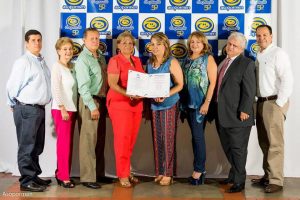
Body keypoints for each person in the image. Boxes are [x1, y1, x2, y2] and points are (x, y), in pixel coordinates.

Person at [6, 29, 51, 192]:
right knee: (27, 145)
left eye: (39, 40)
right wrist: (13, 103)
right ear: (26, 43)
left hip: (39, 109)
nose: (37, 43)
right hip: (27, 108)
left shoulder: (41, 61)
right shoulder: (23, 61)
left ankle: (33, 175)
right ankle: (26, 181)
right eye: (33, 40)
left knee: (37, 145)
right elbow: (12, 85)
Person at [251, 25, 293, 193]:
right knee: (264, 142)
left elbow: (287, 79)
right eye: (258, 35)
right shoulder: (259, 55)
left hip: (274, 102)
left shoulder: (278, 53)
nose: (262, 38)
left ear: (271, 36)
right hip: (260, 103)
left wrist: (279, 103)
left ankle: (277, 180)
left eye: (265, 35)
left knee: (275, 143)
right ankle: (268, 175)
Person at [212, 32, 256, 193]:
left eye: (234, 45)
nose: (230, 47)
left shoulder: (246, 63)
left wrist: (245, 109)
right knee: (228, 147)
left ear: (242, 48)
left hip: (238, 115)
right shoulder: (222, 61)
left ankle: (239, 181)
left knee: (238, 149)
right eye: (229, 44)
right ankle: (233, 174)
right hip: (222, 114)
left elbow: (249, 90)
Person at [106, 31, 144, 188]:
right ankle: (122, 175)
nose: (128, 45)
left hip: (137, 105)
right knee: (122, 140)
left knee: (131, 140)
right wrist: (128, 94)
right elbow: (113, 84)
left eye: (130, 43)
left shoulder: (137, 60)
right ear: (118, 45)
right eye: (124, 42)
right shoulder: (115, 60)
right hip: (120, 104)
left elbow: (143, 81)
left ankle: (127, 170)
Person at [180, 31, 217, 185]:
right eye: (192, 42)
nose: (194, 44)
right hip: (187, 104)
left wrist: (207, 103)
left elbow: (213, 82)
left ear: (204, 44)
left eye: (198, 42)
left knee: (198, 137)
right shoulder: (186, 59)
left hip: (200, 105)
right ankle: (200, 170)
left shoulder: (207, 59)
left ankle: (199, 171)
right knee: (195, 137)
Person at [147, 32, 183, 186]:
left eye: (158, 44)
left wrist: (165, 94)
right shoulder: (149, 63)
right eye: (152, 44)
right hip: (155, 105)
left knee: (168, 138)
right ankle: (160, 171)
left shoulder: (171, 62)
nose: (155, 47)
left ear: (165, 45)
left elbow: (180, 85)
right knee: (157, 139)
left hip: (169, 104)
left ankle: (169, 173)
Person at [74, 28, 107, 189]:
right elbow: (83, 87)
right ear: (84, 40)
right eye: (92, 38)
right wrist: (93, 107)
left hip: (101, 100)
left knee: (99, 139)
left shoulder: (100, 56)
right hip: (89, 102)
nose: (95, 41)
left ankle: (98, 174)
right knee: (88, 140)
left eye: (97, 38)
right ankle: (87, 177)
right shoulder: (83, 59)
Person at [51, 37, 77, 188]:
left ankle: (61, 172)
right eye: (64, 49)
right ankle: (63, 177)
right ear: (58, 51)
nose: (68, 52)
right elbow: (55, 88)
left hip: (71, 108)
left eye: (70, 49)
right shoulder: (57, 66)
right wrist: (62, 107)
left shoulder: (70, 67)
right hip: (62, 110)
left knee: (67, 144)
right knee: (63, 144)